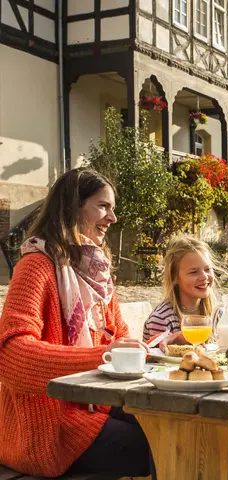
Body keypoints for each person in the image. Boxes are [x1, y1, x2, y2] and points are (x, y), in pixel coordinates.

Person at [0, 168, 153, 478]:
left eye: (113, 208)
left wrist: (155, 348)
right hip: (48, 425)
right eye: (103, 206)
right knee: (156, 446)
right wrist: (102, 358)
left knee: (170, 423)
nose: (113, 218)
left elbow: (117, 335)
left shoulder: (95, 270)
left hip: (95, 405)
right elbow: (12, 356)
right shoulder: (36, 267)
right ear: (72, 208)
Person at [142, 235, 218, 346]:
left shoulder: (216, 314)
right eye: (193, 272)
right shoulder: (162, 318)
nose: (204, 277)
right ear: (174, 277)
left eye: (207, 269)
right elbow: (161, 360)